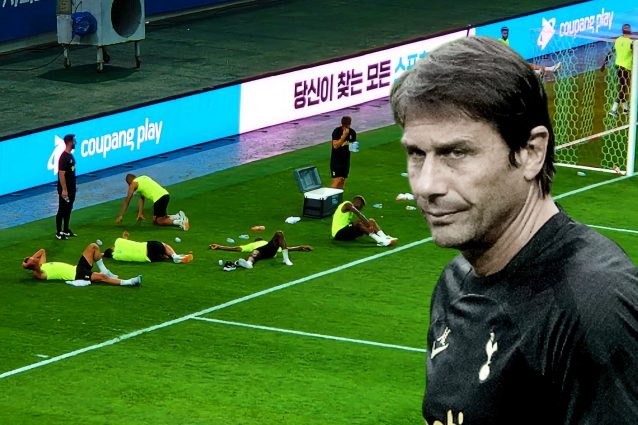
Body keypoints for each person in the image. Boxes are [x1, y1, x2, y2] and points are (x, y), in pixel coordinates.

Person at [391, 36, 638, 424]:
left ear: (531, 152)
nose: (426, 185)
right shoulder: (456, 281)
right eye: (416, 154)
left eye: (457, 153)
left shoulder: (593, 306)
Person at [22, 243, 142, 287]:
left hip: (78, 268)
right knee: (102, 278)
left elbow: (42, 251)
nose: (34, 258)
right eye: (33, 260)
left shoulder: (42, 264)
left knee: (93, 246)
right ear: (33, 265)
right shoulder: (40, 274)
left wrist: (28, 260)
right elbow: (34, 266)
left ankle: (104, 269)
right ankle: (130, 282)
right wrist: (27, 264)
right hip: (77, 275)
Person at [116, 174, 189, 230]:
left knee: (158, 221)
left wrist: (121, 215)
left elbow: (127, 201)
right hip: (165, 195)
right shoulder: (143, 178)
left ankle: (180, 222)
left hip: (159, 198)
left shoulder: (133, 184)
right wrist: (140, 213)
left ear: (128, 183)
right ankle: (177, 216)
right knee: (159, 217)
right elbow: (142, 198)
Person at [209, 230, 312, 270]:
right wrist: (299, 247)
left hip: (263, 252)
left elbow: (237, 248)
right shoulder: (261, 243)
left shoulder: (254, 244)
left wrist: (219, 246)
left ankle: (286, 259)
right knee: (279, 234)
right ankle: (248, 264)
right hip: (268, 252)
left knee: (254, 253)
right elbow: (285, 247)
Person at [331, 195, 397, 247]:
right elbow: (359, 214)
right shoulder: (347, 204)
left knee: (371, 221)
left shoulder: (349, 209)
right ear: (357, 202)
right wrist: (369, 225)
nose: (361, 208)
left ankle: (384, 237)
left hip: (346, 234)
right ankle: (380, 241)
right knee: (358, 222)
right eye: (361, 206)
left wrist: (369, 224)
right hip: (338, 234)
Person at [601, 23, 633, 117]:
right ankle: (613, 109)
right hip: (626, 68)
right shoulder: (631, 42)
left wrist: (604, 64)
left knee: (623, 88)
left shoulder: (618, 40)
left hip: (618, 67)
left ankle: (626, 109)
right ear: (630, 31)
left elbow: (610, 53)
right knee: (622, 89)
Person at [103, 231, 193, 263]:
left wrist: (103, 254)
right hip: (148, 247)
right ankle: (175, 256)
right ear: (112, 248)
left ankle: (170, 257)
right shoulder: (118, 242)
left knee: (163, 255)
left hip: (149, 259)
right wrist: (125, 236)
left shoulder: (116, 257)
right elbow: (122, 241)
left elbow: (104, 254)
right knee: (163, 245)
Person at [55, 134, 77, 240]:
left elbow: (71, 172)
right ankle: (59, 232)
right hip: (65, 190)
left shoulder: (70, 155)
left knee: (68, 208)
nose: (75, 142)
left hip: (71, 188)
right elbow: (61, 174)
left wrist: (74, 184)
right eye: (74, 141)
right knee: (62, 209)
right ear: (69, 142)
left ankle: (66, 230)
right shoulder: (63, 157)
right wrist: (64, 189)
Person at [330, 116, 357, 189]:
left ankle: (339, 196)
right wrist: (343, 136)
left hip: (346, 161)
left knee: (342, 180)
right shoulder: (337, 131)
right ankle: (330, 196)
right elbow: (335, 146)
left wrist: (354, 145)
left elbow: (354, 149)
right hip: (336, 161)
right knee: (337, 180)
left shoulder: (352, 132)